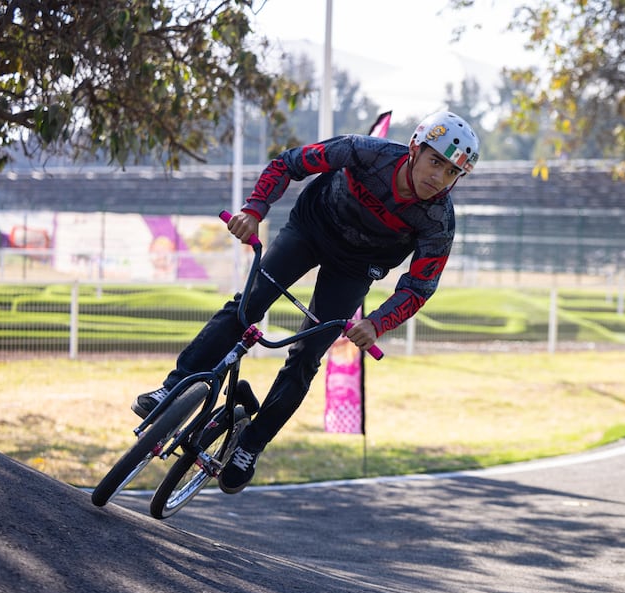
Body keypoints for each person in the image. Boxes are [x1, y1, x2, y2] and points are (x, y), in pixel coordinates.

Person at [132, 110, 480, 494]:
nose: (439, 178)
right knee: (247, 308)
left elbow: (419, 286)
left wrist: (377, 322)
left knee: (305, 356)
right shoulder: (365, 152)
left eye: (452, 173)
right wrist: (254, 209)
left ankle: (251, 443)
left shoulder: (438, 219)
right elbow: (288, 163)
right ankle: (173, 388)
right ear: (415, 148)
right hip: (310, 230)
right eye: (436, 162)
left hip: (355, 268)